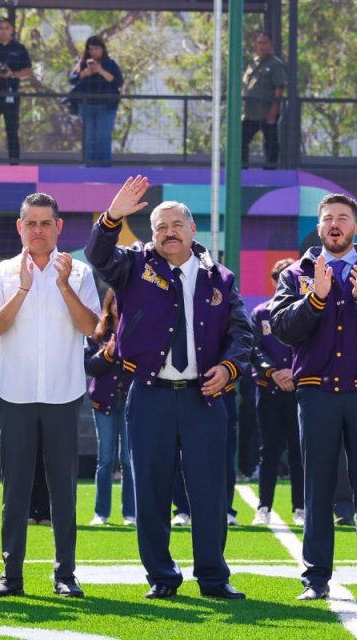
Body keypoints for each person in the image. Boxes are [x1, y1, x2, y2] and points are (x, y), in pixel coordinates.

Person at [85, 176, 252, 600]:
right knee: (151, 491)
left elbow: (241, 333)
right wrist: (113, 216)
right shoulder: (133, 266)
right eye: (160, 226)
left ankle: (213, 578)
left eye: (177, 224)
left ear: (193, 230)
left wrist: (230, 368)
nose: (169, 232)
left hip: (204, 398)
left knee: (210, 492)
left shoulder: (220, 277)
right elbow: (97, 255)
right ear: (151, 234)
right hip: (149, 395)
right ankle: (161, 577)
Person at [268, 193, 357, 602]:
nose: (335, 224)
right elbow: (282, 328)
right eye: (327, 218)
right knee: (317, 489)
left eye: (343, 218)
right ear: (318, 226)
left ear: (356, 227)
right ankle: (315, 578)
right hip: (316, 395)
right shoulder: (296, 274)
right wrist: (315, 298)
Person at [0, 192, 101, 599]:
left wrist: (63, 285)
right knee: (14, 489)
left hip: (63, 394)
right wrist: (24, 290)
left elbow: (90, 328)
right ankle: (11, 575)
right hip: (15, 393)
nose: (38, 231)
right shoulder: (1, 273)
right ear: (19, 227)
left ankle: (65, 574)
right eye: (30, 223)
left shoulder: (79, 272)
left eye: (46, 223)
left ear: (59, 227)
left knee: (63, 489)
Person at [250, 258, 304, 527]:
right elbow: (254, 347)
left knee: (299, 450)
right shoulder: (261, 313)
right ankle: (264, 506)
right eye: (280, 277)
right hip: (268, 390)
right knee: (269, 449)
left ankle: (300, 508)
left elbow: (311, 346)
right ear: (273, 282)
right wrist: (272, 372)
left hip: (299, 389)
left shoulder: (305, 311)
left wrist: (295, 372)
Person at [85, 289, 135, 527]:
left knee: (128, 459)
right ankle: (101, 513)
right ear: (109, 303)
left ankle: (130, 514)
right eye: (114, 300)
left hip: (129, 402)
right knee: (105, 459)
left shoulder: (136, 328)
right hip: (103, 402)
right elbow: (90, 367)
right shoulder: (97, 333)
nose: (118, 304)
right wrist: (107, 354)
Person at [0, 18, 32, 164]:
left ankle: (14, 161)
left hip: (11, 93)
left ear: (12, 30)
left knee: (12, 129)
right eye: (1, 28)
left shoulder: (19, 48)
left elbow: (28, 71)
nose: (4, 31)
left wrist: (13, 74)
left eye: (7, 28)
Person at [69, 35, 123, 167]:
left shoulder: (110, 64)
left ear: (102, 49)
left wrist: (100, 70)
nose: (93, 52)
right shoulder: (81, 64)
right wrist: (85, 73)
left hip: (106, 106)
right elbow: (73, 79)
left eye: (96, 48)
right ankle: (89, 168)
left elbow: (118, 82)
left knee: (103, 138)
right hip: (86, 105)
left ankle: (104, 170)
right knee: (89, 139)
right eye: (90, 49)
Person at [240, 33, 286, 169]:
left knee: (270, 142)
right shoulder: (253, 63)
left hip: (266, 112)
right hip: (250, 112)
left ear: (271, 45)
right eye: (259, 43)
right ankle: (242, 168)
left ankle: (270, 169)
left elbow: (279, 87)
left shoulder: (275, 65)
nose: (261, 46)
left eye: (264, 43)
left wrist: (274, 110)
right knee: (241, 140)